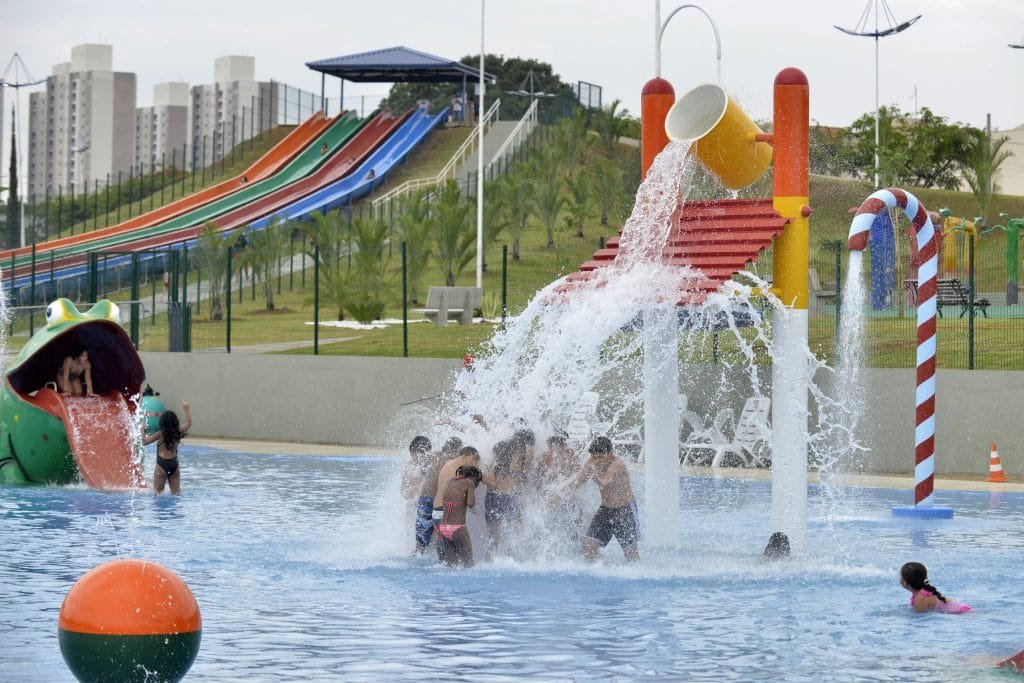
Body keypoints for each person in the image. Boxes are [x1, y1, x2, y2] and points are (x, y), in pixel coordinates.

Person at [556, 436, 640, 563]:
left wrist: (600, 481)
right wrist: (558, 495)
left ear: (610, 453)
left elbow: (606, 479)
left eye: (600, 457)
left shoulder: (617, 464)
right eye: (594, 457)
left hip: (625, 510)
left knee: (630, 553)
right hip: (605, 510)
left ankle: (636, 572)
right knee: (589, 545)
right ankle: (596, 570)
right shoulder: (591, 462)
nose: (597, 461)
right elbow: (578, 481)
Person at [414, 437, 462, 553]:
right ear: (457, 452)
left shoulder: (434, 457)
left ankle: (418, 553)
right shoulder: (452, 463)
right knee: (442, 540)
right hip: (436, 502)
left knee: (421, 541)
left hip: (423, 499)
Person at [435, 464, 482, 567]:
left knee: (450, 565)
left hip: (443, 528)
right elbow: (470, 504)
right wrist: (471, 490)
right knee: (469, 564)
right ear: (472, 477)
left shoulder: (450, 481)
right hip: (458, 528)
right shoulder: (469, 483)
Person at [142, 402, 192, 495]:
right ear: (175, 421)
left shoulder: (160, 434)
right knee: (176, 494)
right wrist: (186, 410)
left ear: (162, 422)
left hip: (161, 465)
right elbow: (188, 423)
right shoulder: (178, 431)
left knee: (158, 494)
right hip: (174, 464)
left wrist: (142, 430)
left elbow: (144, 442)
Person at [899, 561, 972, 613]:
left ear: (905, 582)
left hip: (963, 614)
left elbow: (920, 619)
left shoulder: (920, 598)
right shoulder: (924, 591)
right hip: (965, 611)